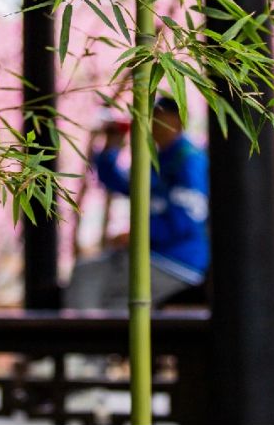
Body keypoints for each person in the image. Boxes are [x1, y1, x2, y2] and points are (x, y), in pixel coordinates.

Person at [65, 96, 209, 310]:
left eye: (159, 118)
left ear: (177, 122)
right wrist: (111, 148)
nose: (152, 125)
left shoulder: (189, 160)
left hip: (177, 261)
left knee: (87, 275)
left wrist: (137, 235)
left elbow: (185, 221)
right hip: (154, 256)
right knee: (116, 304)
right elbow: (122, 184)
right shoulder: (158, 159)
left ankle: (79, 341)